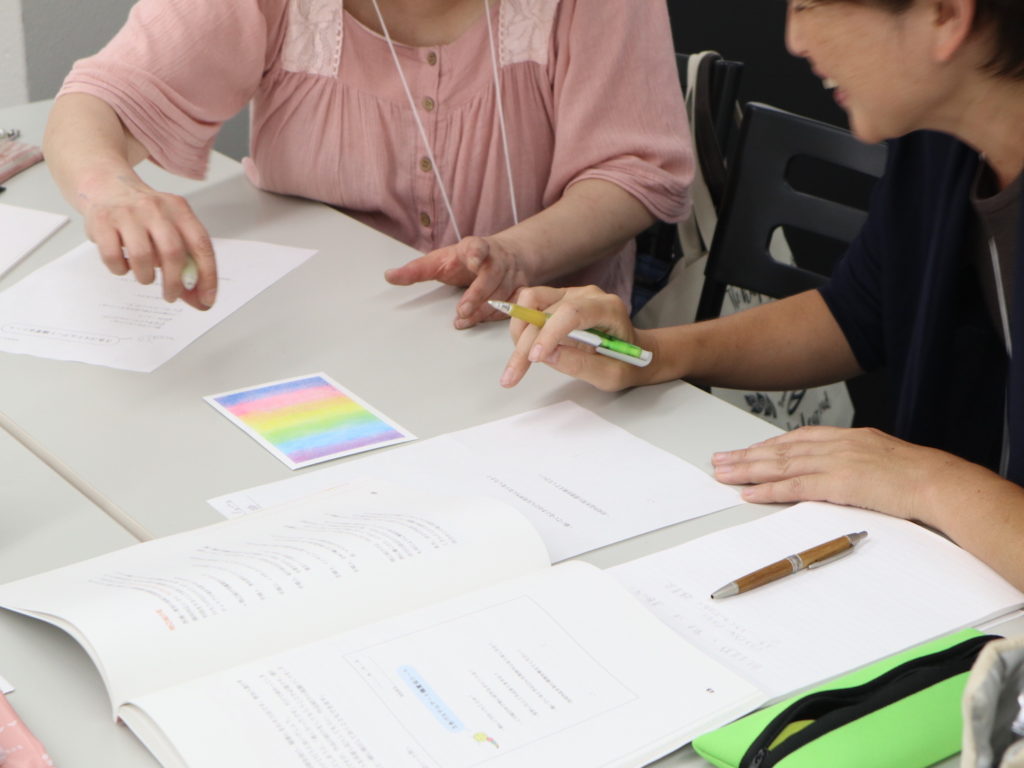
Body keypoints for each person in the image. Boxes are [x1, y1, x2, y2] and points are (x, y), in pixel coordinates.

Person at [498, 0, 1024, 590]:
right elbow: (858, 312)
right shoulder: (941, 141)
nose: (795, 40)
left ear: (945, 15)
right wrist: (650, 353)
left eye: (809, 5)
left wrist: (926, 481)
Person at [42, 0, 691, 323]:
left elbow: (634, 171)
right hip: (310, 331)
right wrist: (112, 190)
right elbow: (101, 99)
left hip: (533, 339)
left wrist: (517, 254)